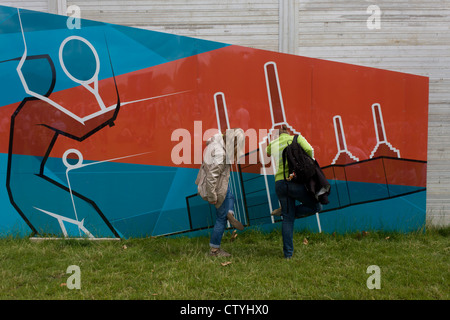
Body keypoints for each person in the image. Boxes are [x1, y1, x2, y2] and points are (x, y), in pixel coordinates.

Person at [266, 125, 322, 259]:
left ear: (277, 135)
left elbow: (268, 153)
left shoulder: (273, 144)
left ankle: (288, 255)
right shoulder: (296, 139)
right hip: (295, 181)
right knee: (317, 206)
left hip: (279, 183)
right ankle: (288, 213)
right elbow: (309, 149)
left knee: (288, 218)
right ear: (288, 132)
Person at [195, 128, 245, 257]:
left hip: (220, 184)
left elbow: (210, 139)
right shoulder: (220, 155)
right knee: (221, 218)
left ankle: (230, 213)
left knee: (230, 195)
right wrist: (212, 197)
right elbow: (212, 178)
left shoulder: (217, 140)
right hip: (215, 188)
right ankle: (214, 251)